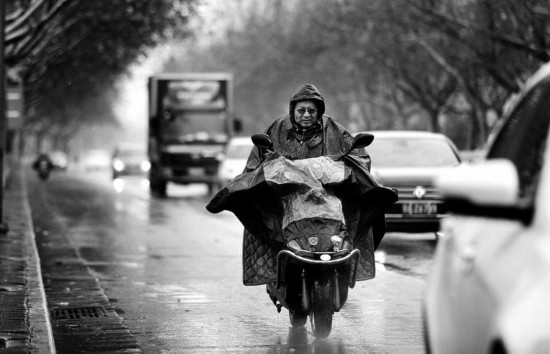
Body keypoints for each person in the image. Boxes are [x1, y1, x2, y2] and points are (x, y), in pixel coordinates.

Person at [207, 84, 396, 286]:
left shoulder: (334, 130)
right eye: (301, 111)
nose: (306, 115)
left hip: (327, 194)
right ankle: (278, 270)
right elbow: (257, 163)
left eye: (311, 111)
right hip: (287, 196)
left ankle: (343, 263)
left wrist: (343, 172)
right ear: (292, 111)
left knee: (372, 208)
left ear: (319, 112)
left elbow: (357, 157)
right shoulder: (277, 128)